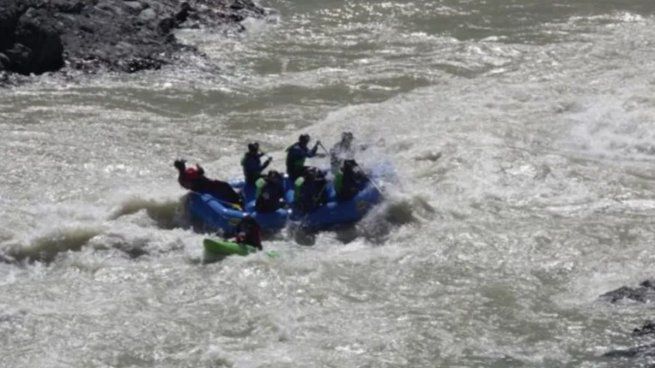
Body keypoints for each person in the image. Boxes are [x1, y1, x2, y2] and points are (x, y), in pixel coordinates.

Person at [174, 159, 242, 207]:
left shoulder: (180, 178)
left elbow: (186, 187)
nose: (183, 166)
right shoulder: (188, 173)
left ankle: (233, 198)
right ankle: (237, 199)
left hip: (199, 188)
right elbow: (201, 172)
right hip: (207, 185)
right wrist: (199, 167)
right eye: (182, 165)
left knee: (222, 186)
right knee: (225, 185)